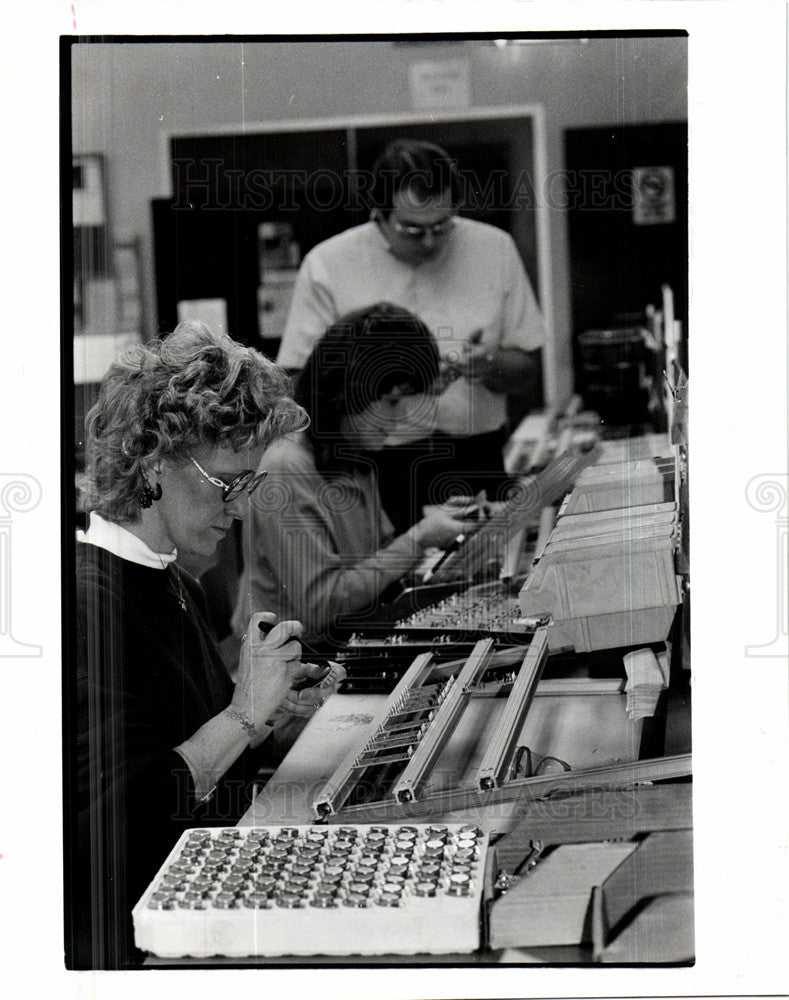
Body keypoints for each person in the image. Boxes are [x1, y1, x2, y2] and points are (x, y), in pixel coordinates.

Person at [67, 321, 334, 969]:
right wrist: (242, 713)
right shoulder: (86, 605)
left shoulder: (167, 574)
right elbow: (130, 819)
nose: (240, 509)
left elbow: (186, 739)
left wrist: (267, 715)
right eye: (228, 483)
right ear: (153, 461)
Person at [277, 138, 545, 530]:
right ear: (379, 215)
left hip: (475, 458)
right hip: (376, 468)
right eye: (412, 230)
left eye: (442, 225)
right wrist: (395, 386)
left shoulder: (495, 249)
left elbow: (527, 370)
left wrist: (485, 363)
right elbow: (302, 385)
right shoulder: (328, 265)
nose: (431, 242)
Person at [233, 303, 482, 651]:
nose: (401, 419)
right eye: (392, 402)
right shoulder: (286, 466)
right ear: (347, 391)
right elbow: (320, 605)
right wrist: (418, 540)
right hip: (296, 663)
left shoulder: (353, 454)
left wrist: (433, 529)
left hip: (341, 643)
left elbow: (376, 561)